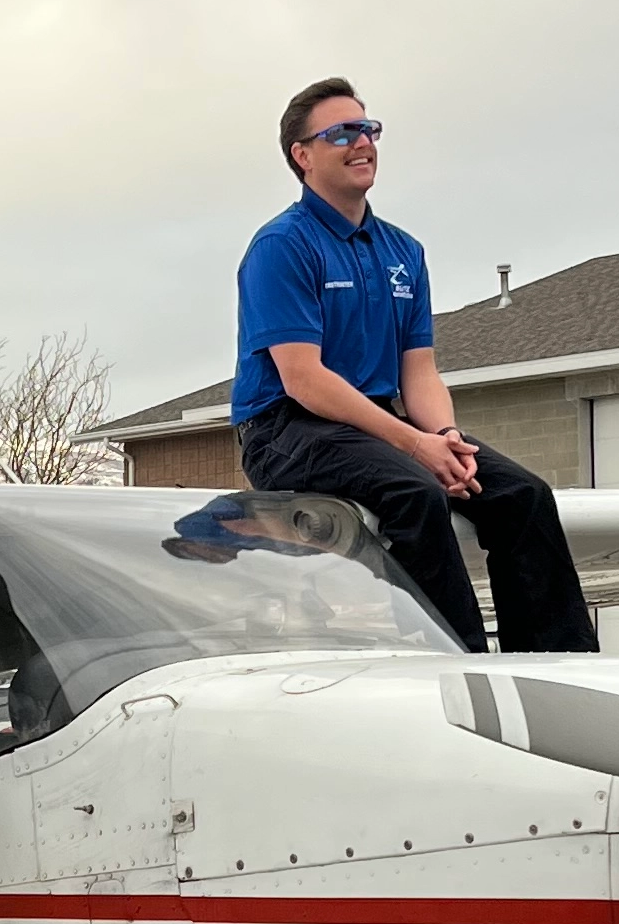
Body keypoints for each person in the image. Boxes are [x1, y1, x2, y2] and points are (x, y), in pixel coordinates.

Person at [229, 80, 596, 655]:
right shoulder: (281, 246)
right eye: (340, 133)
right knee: (415, 492)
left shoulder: (403, 251)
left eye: (368, 129)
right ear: (302, 156)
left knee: (523, 494)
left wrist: (444, 437)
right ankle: (458, 667)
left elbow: (418, 372)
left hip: (375, 424)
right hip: (286, 429)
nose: (362, 143)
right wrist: (416, 447)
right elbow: (304, 380)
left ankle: (559, 667)